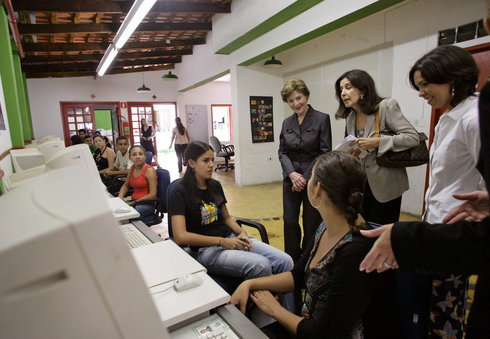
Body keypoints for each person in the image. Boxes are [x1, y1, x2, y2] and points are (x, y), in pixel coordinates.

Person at [361, 45, 483, 338]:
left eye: (426, 84)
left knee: (446, 308)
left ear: (452, 78)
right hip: (437, 223)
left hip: (456, 229)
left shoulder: (474, 119)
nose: (421, 93)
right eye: (418, 86)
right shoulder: (449, 115)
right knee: (430, 302)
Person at [230, 151, 398, 338]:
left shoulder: (355, 251)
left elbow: (326, 333)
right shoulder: (327, 226)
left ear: (317, 189)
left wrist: (275, 310)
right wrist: (250, 284)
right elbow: (298, 275)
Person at [169, 141, 294, 310]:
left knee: (286, 261)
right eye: (206, 161)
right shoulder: (180, 192)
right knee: (261, 265)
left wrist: (241, 233)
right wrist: (221, 242)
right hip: (208, 250)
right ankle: (261, 319)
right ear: (191, 163)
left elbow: (227, 218)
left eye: (212, 159)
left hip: (230, 239)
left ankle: (287, 318)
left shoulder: (214, 185)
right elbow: (180, 236)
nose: (212, 165)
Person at [334, 69, 420, 225]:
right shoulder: (351, 117)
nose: (343, 93)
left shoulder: (386, 106)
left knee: (382, 231)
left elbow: (412, 138)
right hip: (361, 186)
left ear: (363, 89)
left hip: (385, 185)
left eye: (348, 87)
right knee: (364, 228)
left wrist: (379, 142)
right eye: (341, 90)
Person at [278, 78, 332, 262]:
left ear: (306, 95)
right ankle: (292, 259)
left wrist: (305, 178)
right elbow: (282, 152)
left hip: (313, 180)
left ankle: (309, 258)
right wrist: (292, 175)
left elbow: (324, 153)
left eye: (298, 98)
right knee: (289, 220)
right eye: (290, 101)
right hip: (291, 179)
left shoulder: (322, 119)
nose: (295, 104)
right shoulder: (286, 123)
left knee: (311, 223)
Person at [118, 145, 157, 223]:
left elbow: (153, 194)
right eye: (134, 154)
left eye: (140, 154)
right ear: (130, 157)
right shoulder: (132, 168)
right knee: (114, 211)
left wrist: (134, 203)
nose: (138, 157)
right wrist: (120, 197)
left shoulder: (149, 170)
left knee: (124, 216)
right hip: (134, 202)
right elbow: (126, 185)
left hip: (146, 204)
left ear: (145, 156)